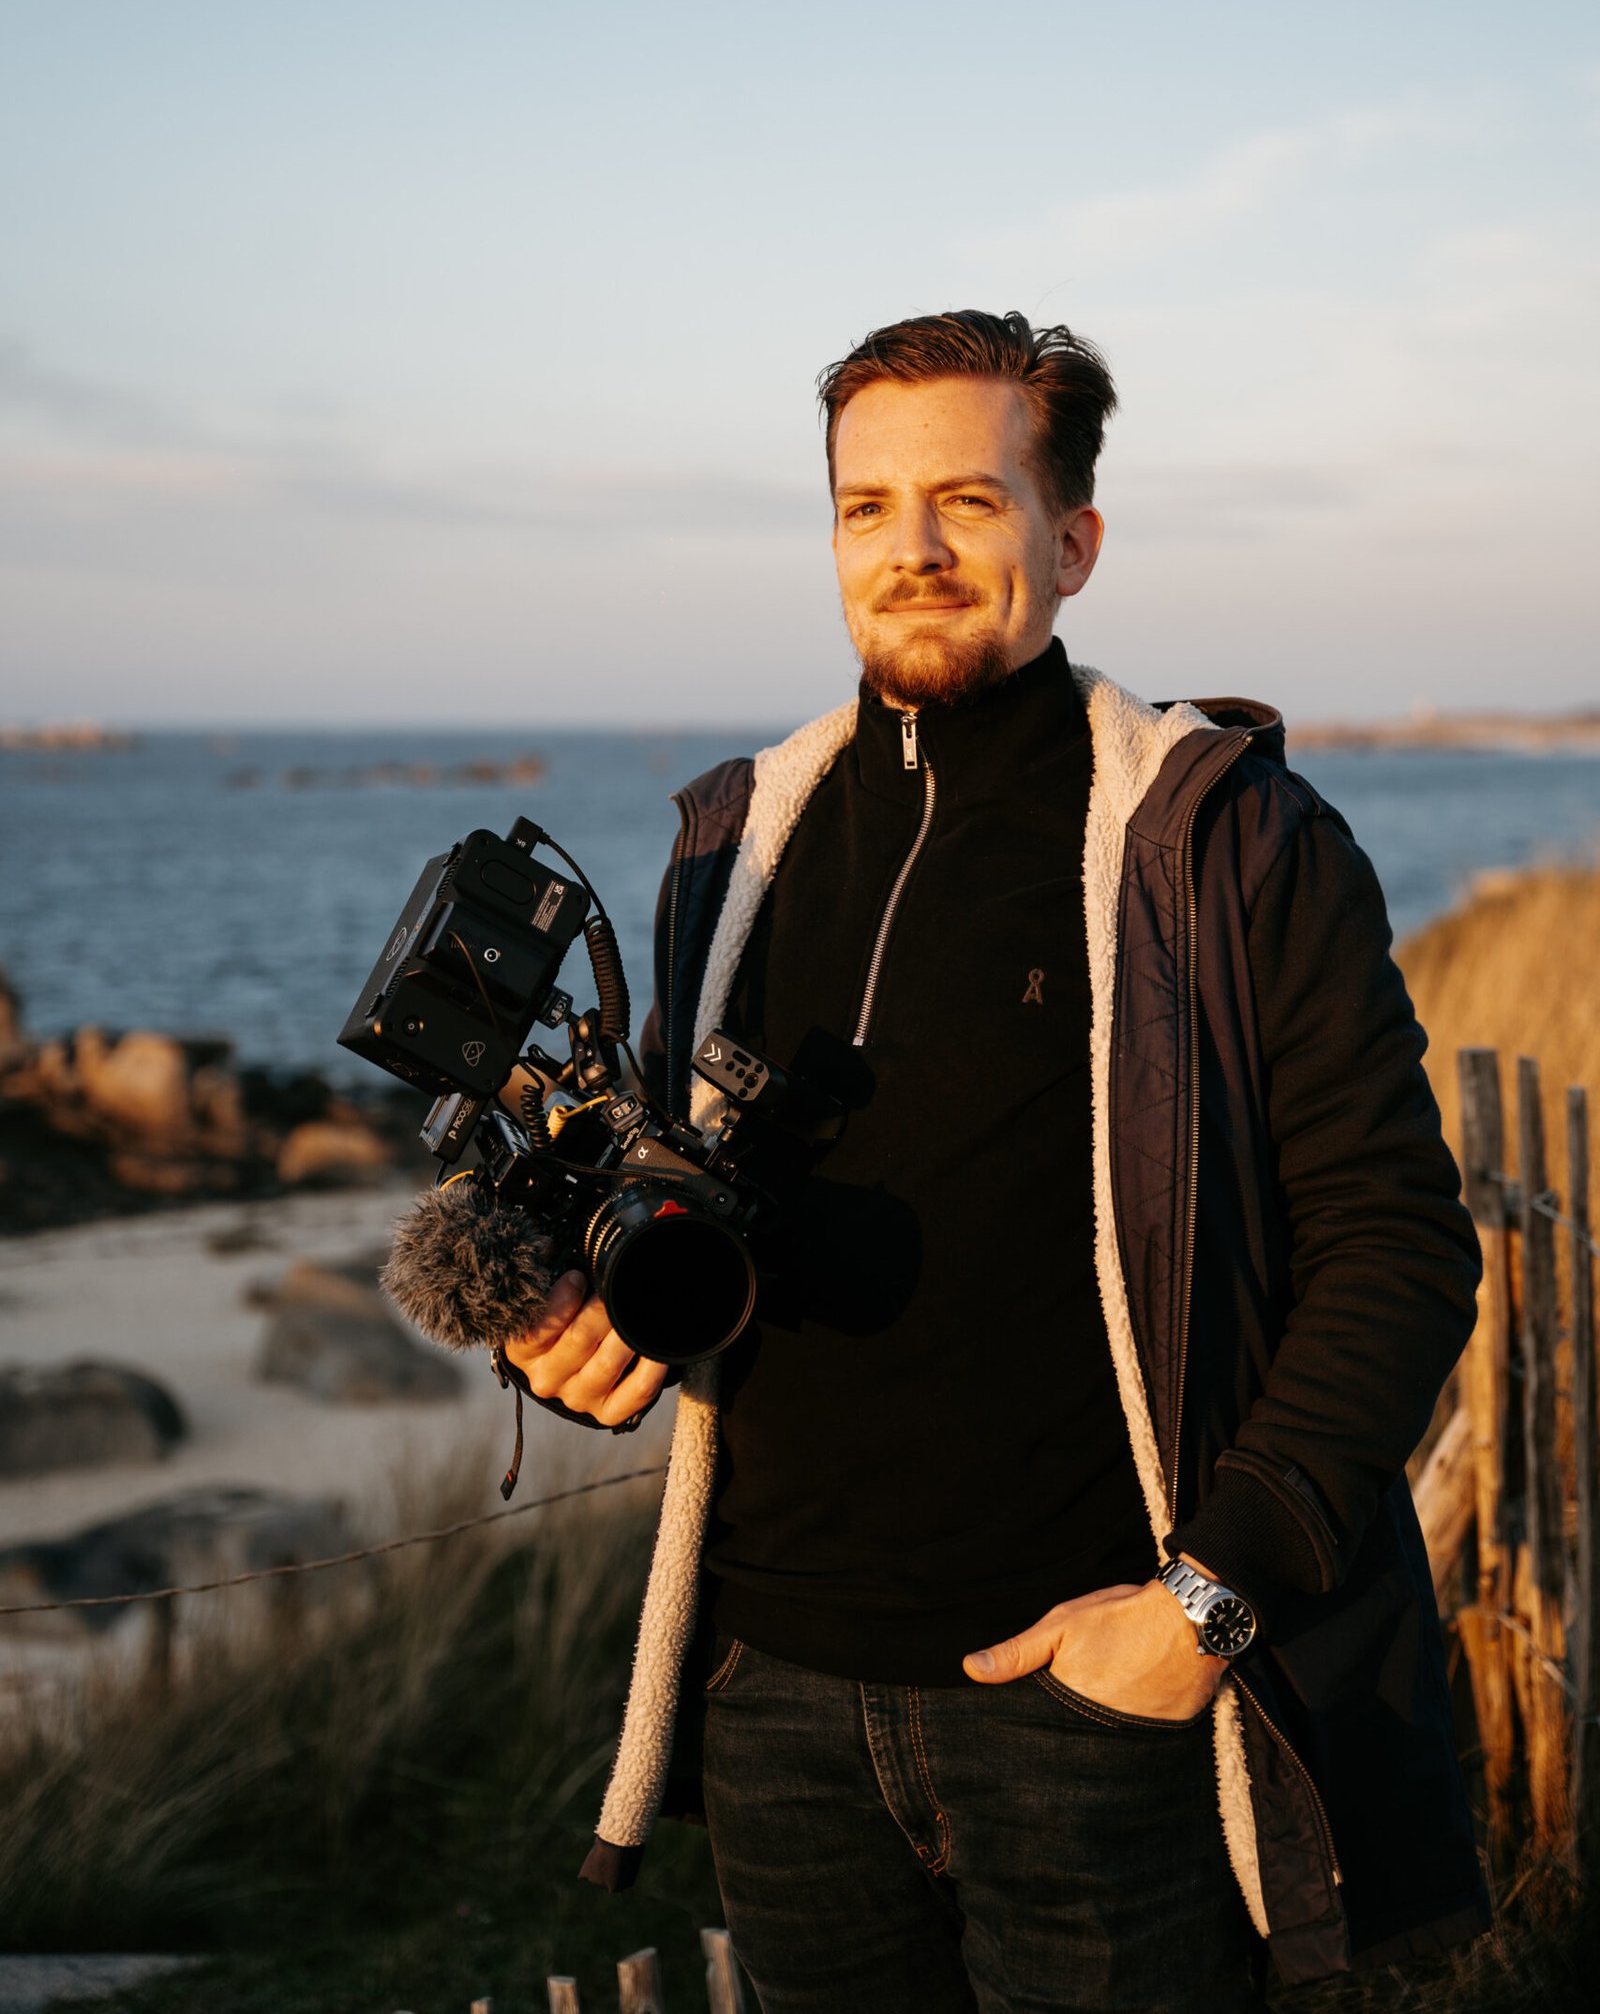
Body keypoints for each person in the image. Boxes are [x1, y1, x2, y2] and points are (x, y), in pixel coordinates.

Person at [507, 310, 1488, 2010]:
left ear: (1074, 540)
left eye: (967, 499)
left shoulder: (1220, 838)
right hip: (779, 1697)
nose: (914, 551)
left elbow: (1398, 1245)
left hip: (1095, 1702)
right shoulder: (734, 848)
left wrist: (1198, 1612)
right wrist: (581, 1309)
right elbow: (680, 1186)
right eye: (865, 508)